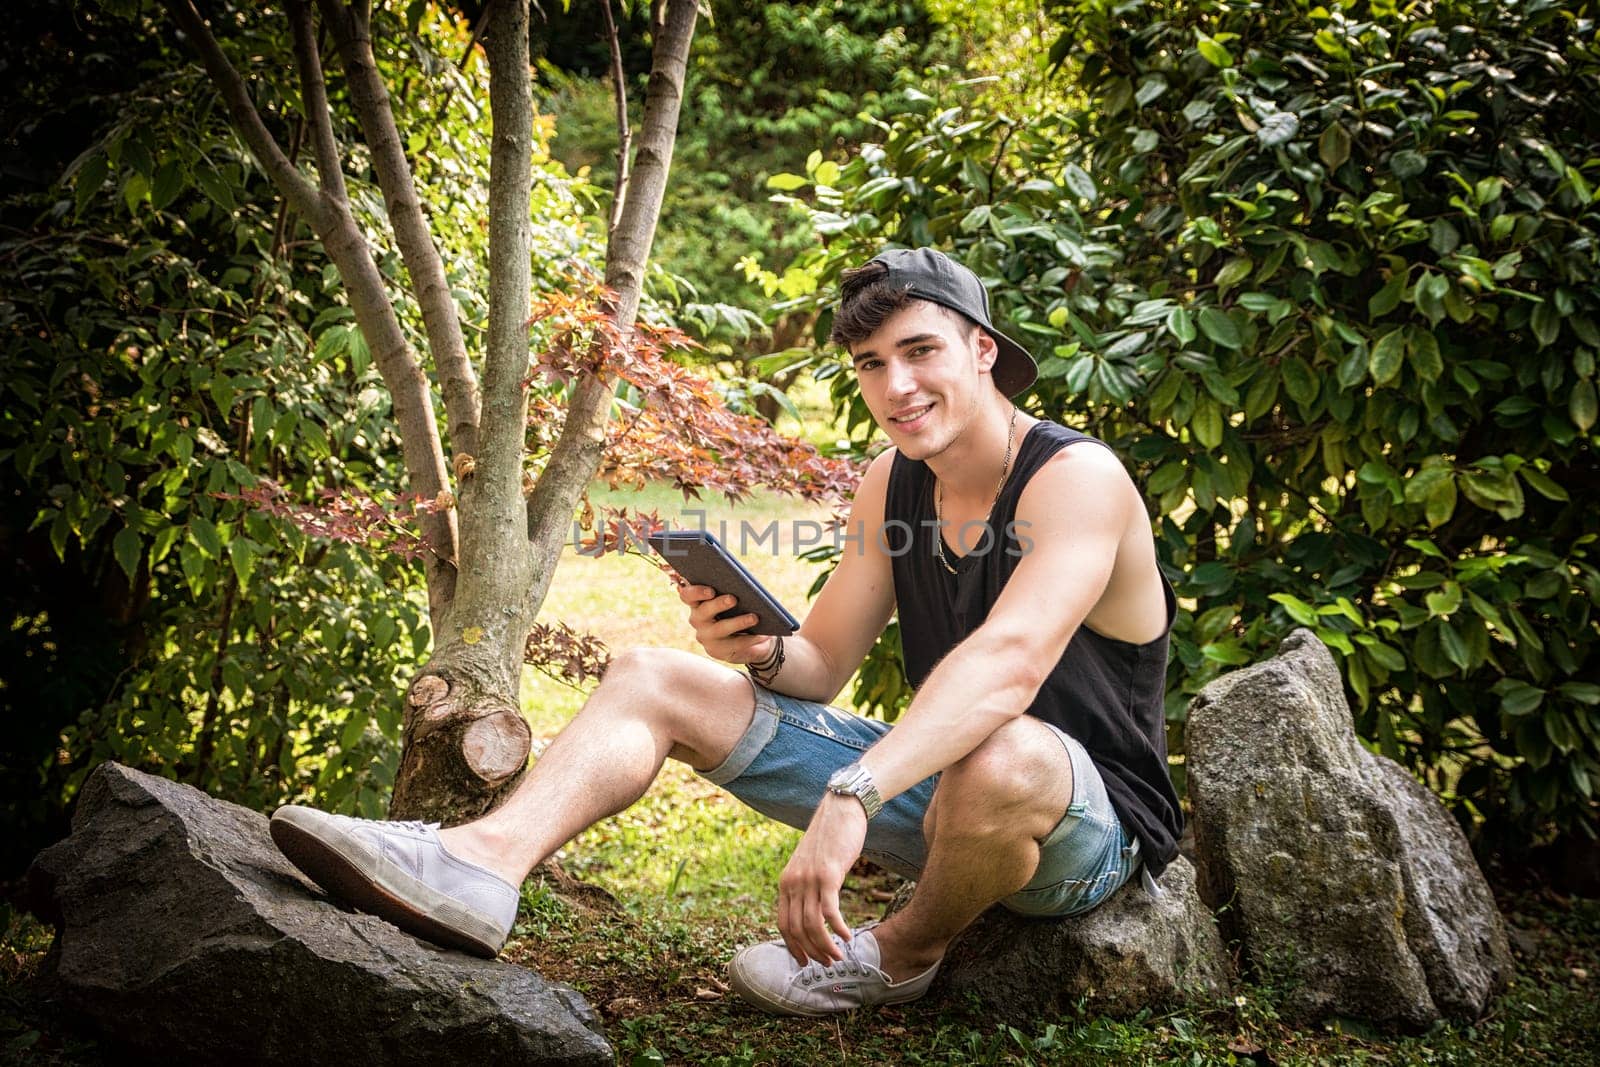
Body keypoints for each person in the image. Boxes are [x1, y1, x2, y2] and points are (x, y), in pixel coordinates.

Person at [269, 247, 1183, 1017]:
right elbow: (820, 665)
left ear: (982, 350)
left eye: (919, 351)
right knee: (648, 673)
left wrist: (851, 794)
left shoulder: (1076, 478)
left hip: (1083, 822)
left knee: (1005, 751)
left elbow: (1008, 664)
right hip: (940, 789)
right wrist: (756, 648)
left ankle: (901, 952)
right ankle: (479, 865)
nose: (895, 386)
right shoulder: (892, 482)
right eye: (870, 363)